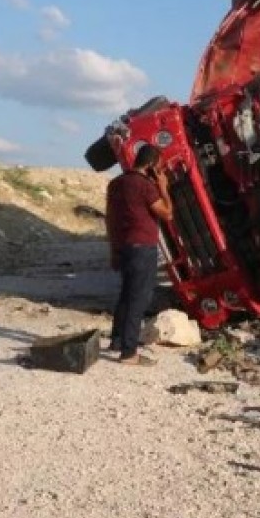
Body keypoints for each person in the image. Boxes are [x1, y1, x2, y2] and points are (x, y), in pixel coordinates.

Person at [104, 143, 172, 366]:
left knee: (126, 294)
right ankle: (129, 352)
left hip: (124, 246)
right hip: (142, 248)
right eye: (159, 166)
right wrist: (163, 187)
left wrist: (113, 249)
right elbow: (167, 214)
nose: (160, 170)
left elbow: (110, 220)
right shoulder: (145, 186)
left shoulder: (116, 183)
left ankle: (117, 341)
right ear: (151, 164)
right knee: (138, 299)